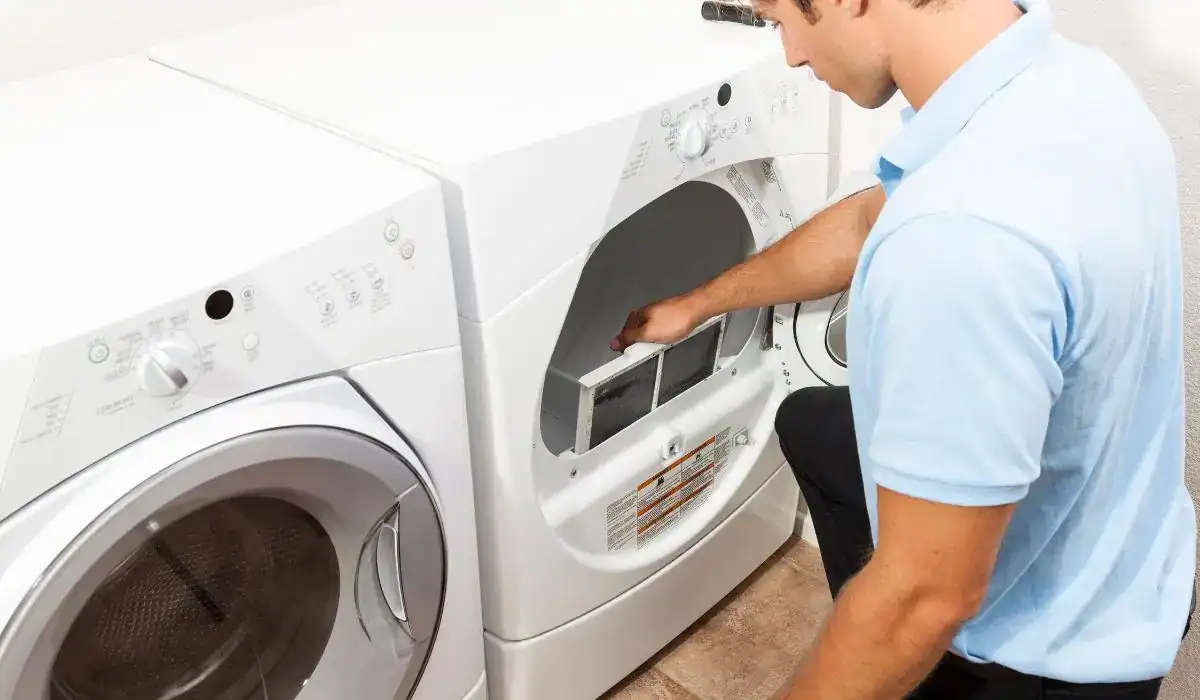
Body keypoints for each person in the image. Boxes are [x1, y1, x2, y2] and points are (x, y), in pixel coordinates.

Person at [610, 0, 1197, 697]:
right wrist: (699, 302)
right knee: (812, 423)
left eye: (779, 20)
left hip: (1037, 665)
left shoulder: (959, 241)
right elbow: (868, 219)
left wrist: (886, 620)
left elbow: (924, 602)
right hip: (1130, 562)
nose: (792, 55)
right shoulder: (1074, 85)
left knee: (895, 612)